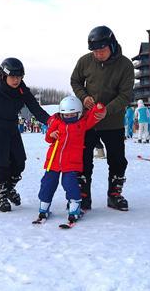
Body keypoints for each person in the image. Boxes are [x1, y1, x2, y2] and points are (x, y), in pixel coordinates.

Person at [0, 57, 51, 212]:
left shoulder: (22, 89)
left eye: (19, 77)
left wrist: (51, 121)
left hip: (11, 128)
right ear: (4, 76)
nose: (16, 80)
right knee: (2, 164)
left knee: (19, 162)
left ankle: (8, 188)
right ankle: (1, 197)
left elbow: (35, 108)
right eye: (13, 77)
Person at [70, 25, 134, 211]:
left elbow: (125, 95)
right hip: (87, 122)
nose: (98, 54)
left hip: (112, 122)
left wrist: (107, 110)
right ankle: (83, 196)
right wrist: (83, 96)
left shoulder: (125, 65)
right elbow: (75, 80)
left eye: (102, 50)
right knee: (83, 159)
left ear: (112, 45)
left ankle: (114, 194)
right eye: (95, 51)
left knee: (117, 160)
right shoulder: (85, 61)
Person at [37, 96, 106, 224]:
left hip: (71, 161)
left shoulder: (82, 123)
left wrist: (99, 107)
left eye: (72, 115)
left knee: (70, 184)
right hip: (53, 160)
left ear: (79, 113)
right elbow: (48, 138)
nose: (68, 117)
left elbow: (94, 116)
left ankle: (75, 207)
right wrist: (51, 135)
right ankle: (44, 207)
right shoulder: (56, 121)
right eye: (66, 115)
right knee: (48, 183)